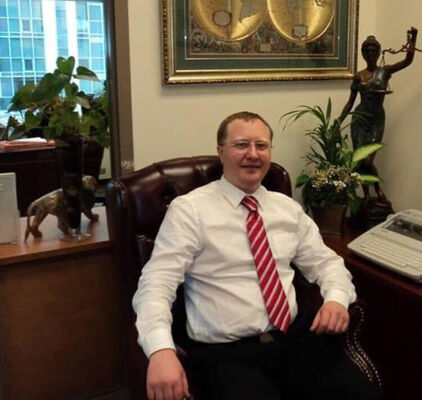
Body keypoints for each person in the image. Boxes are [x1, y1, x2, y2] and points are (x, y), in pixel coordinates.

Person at [132, 111, 380, 400]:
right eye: (241, 145)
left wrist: (336, 299)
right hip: (226, 352)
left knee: (360, 395)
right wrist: (161, 350)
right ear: (221, 151)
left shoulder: (287, 209)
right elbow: (156, 284)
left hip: (295, 339)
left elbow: (326, 263)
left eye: (261, 146)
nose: (253, 154)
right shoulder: (190, 211)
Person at [339, 27, 418, 199]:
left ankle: (376, 188)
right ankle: (367, 194)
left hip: (376, 120)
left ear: (378, 52)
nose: (370, 54)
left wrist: (413, 39)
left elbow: (407, 61)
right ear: (363, 54)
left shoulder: (385, 71)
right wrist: (339, 121)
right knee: (360, 160)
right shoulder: (359, 76)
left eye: (374, 51)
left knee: (368, 160)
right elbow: (351, 102)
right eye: (367, 51)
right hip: (360, 120)